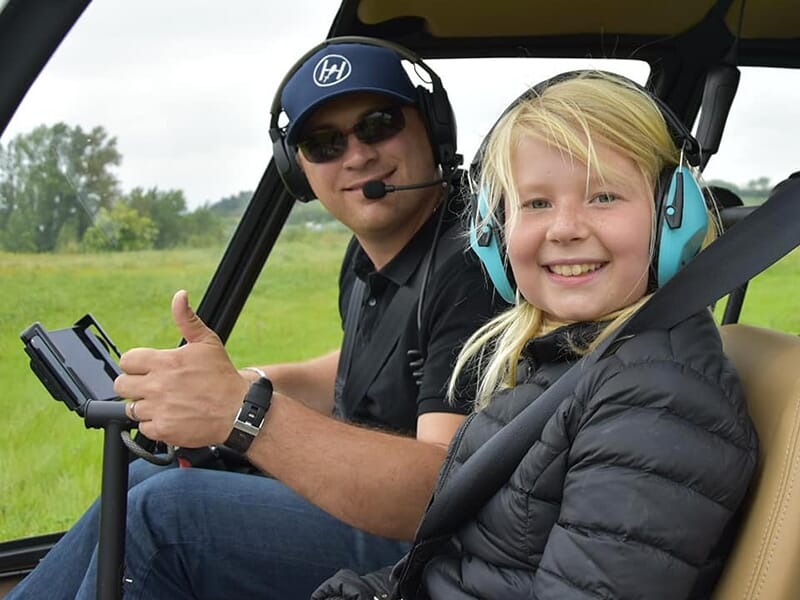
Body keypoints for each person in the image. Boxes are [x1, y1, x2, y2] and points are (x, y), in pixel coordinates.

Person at [8, 39, 503, 599]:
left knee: (164, 517)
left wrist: (245, 416)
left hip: (435, 551)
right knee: (147, 475)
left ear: (434, 129)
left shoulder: (469, 263)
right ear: (299, 170)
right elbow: (379, 364)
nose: (357, 155)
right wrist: (243, 381)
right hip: (379, 519)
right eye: (323, 143)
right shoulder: (375, 256)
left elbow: (440, 494)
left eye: (378, 124)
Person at [312, 71, 759, 599]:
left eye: (604, 196)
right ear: (494, 233)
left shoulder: (657, 398)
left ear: (672, 216)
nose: (564, 228)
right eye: (537, 204)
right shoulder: (570, 359)